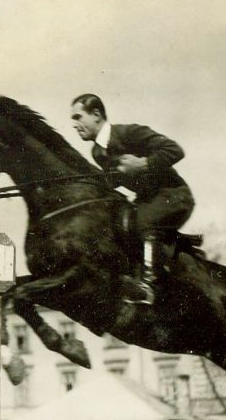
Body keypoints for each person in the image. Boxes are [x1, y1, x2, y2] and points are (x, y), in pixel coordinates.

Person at [70, 93, 194, 305]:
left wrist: (143, 164)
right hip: (146, 200)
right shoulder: (97, 152)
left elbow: (175, 150)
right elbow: (114, 181)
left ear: (96, 115)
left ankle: (149, 286)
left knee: (142, 222)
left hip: (174, 195)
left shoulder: (130, 132)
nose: (74, 124)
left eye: (78, 117)